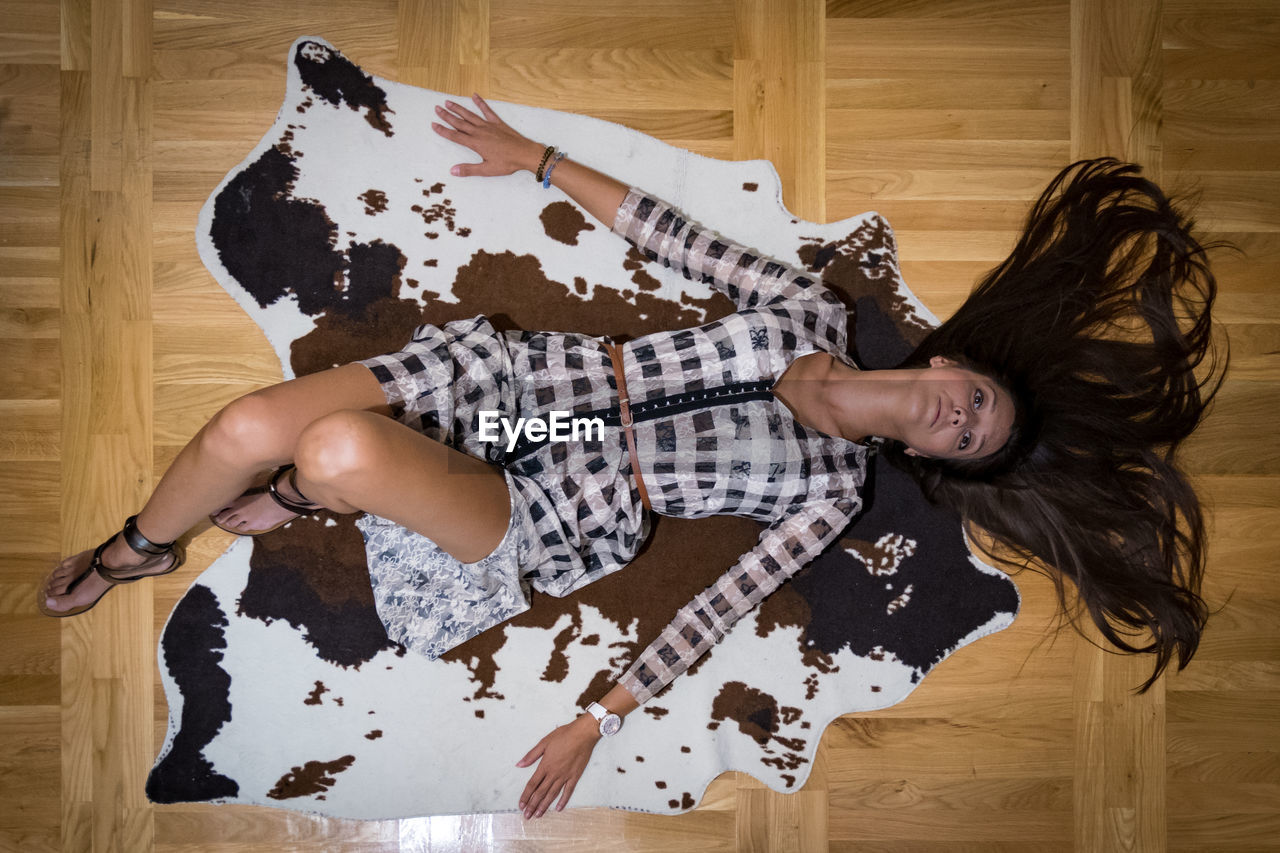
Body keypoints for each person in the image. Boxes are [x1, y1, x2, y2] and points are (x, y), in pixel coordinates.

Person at [38, 96, 1222, 820]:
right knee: (247, 424)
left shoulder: (833, 489)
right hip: (531, 393)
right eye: (978, 399)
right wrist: (534, 158)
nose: (961, 416)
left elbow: (717, 603)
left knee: (334, 448)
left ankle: (310, 491)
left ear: (947, 459)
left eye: (970, 438)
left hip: (561, 497)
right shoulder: (802, 306)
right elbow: (672, 233)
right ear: (963, 367)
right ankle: (140, 548)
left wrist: (596, 717)